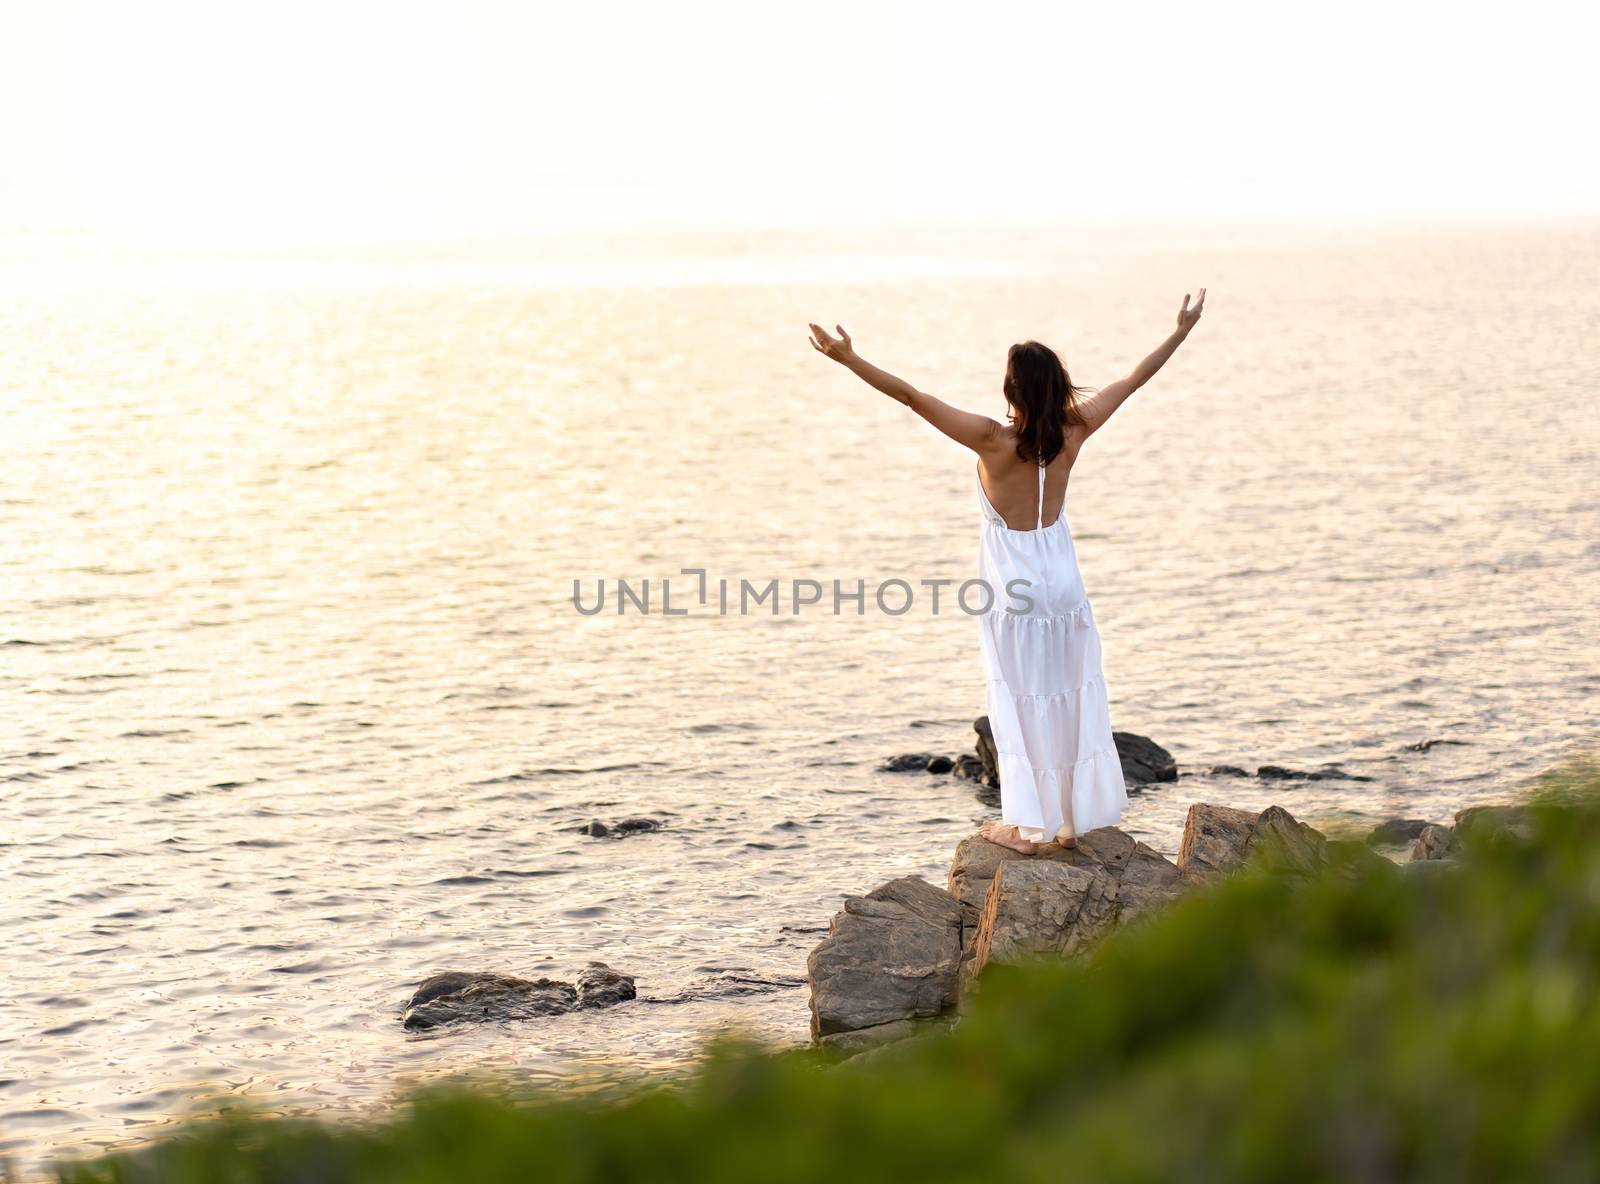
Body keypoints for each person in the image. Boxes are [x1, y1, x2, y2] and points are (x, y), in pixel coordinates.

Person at [807, 290, 1206, 853]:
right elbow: (1135, 378)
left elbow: (911, 396)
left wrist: (849, 360)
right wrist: (1181, 331)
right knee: (1066, 693)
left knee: (1021, 701)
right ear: (1059, 384)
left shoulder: (993, 439)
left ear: (1011, 388)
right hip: (1062, 581)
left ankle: (1026, 828)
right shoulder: (1076, 428)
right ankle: (1068, 823)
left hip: (1014, 588)